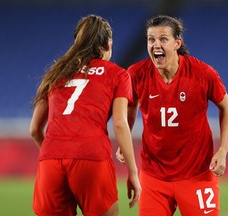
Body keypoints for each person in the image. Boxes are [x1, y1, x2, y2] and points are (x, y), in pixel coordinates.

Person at [116, 15, 228, 216]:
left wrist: (223, 150)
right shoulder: (136, 74)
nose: (155, 44)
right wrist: (124, 138)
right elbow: (131, 105)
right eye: (151, 40)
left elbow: (226, 106)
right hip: (154, 177)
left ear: (177, 43)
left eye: (163, 39)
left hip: (197, 173)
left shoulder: (202, 73)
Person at [29, 14, 141, 216]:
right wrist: (133, 172)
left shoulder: (56, 73)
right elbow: (119, 123)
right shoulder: (117, 74)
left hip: (51, 158)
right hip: (91, 156)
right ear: (108, 44)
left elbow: (35, 130)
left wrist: (56, 154)